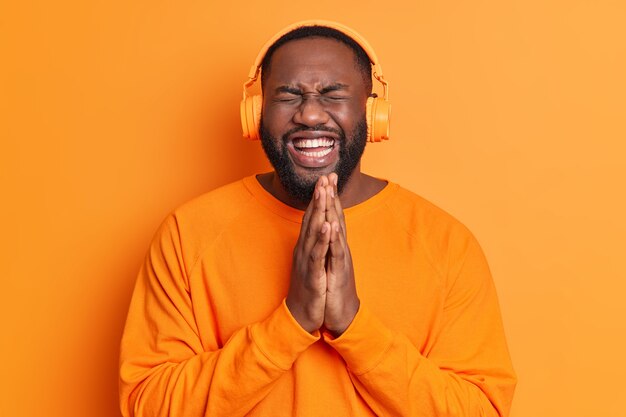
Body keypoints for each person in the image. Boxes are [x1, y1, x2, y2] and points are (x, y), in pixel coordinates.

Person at [119, 20, 516, 417]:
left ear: (372, 111)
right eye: (288, 96)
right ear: (256, 113)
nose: (310, 115)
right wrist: (292, 321)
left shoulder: (446, 243)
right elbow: (148, 405)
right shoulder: (188, 234)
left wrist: (353, 326)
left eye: (332, 94)